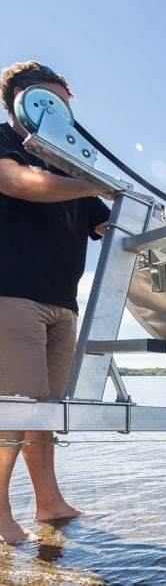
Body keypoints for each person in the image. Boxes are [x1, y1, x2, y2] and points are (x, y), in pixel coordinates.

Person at [0, 61, 111, 544]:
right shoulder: (4, 141)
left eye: (67, 102)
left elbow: (108, 224)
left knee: (43, 412)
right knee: (10, 412)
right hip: (11, 294)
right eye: (52, 100)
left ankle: (49, 503)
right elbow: (18, 183)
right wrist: (97, 183)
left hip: (62, 303)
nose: (63, 110)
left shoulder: (72, 163)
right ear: (23, 100)